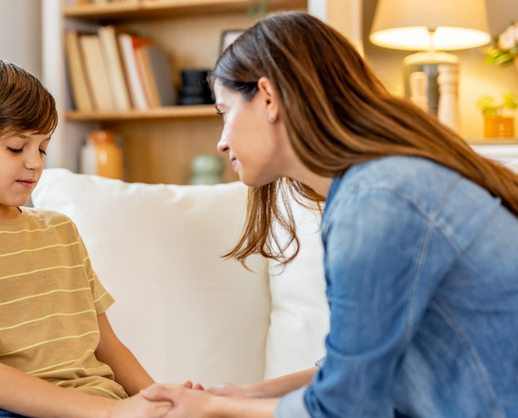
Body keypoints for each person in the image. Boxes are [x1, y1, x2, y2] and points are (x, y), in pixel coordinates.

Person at [141, 11, 518, 418]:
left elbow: (345, 407)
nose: (221, 142)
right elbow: (355, 368)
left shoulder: (378, 200)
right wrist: (246, 395)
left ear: (267, 98)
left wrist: (213, 408)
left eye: (225, 111)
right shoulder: (379, 184)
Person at [0, 57, 170, 418]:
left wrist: (163, 401)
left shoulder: (60, 230)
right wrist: (110, 413)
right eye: (16, 147)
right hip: (7, 410)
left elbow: (108, 347)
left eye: (42, 148)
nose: (35, 163)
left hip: (99, 402)